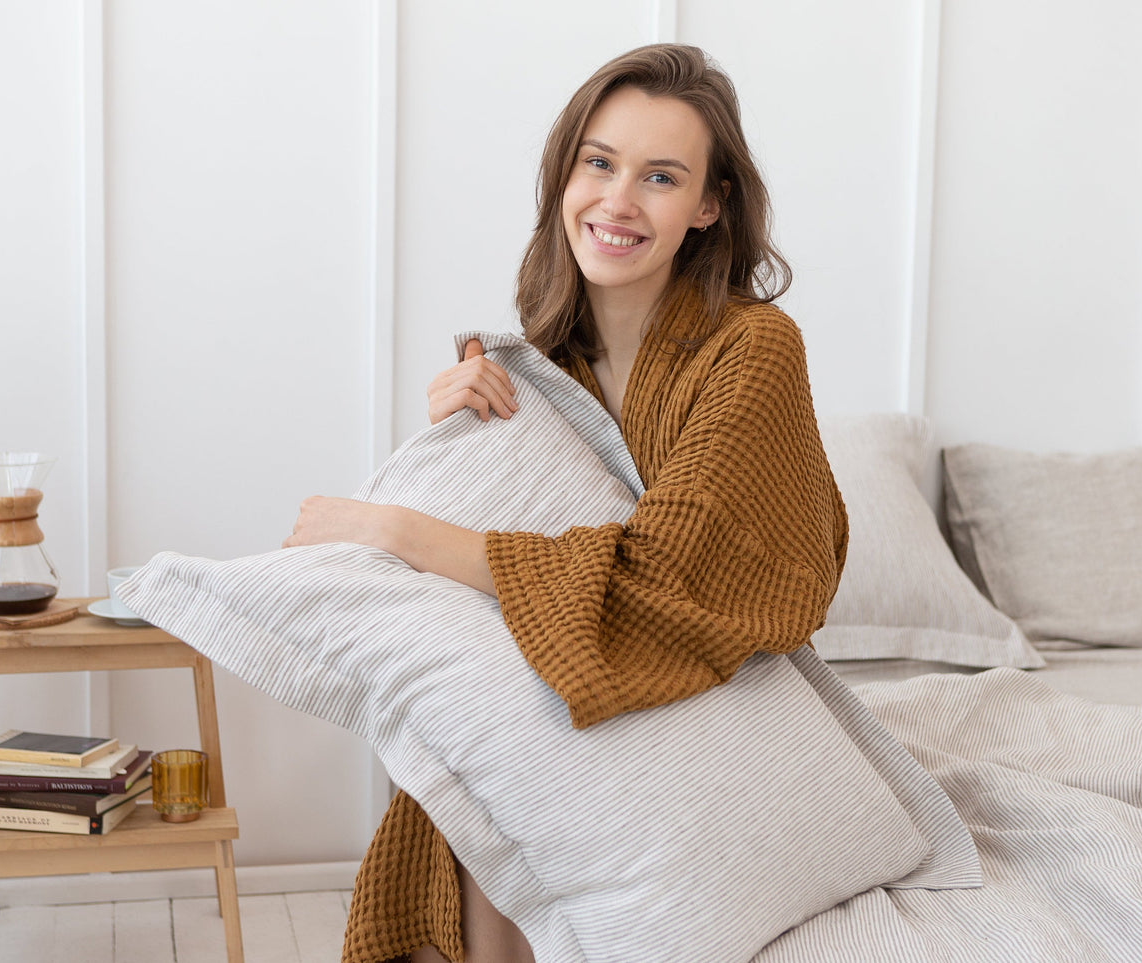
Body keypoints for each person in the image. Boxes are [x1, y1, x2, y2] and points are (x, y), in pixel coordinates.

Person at [285, 43, 849, 963]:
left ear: (708, 206)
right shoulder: (538, 359)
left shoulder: (754, 348)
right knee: (470, 742)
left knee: (506, 748)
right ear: (565, 175)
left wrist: (396, 528)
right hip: (580, 668)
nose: (618, 200)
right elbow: (526, 540)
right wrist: (455, 440)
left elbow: (667, 574)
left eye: (660, 177)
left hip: (711, 676)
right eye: (599, 162)